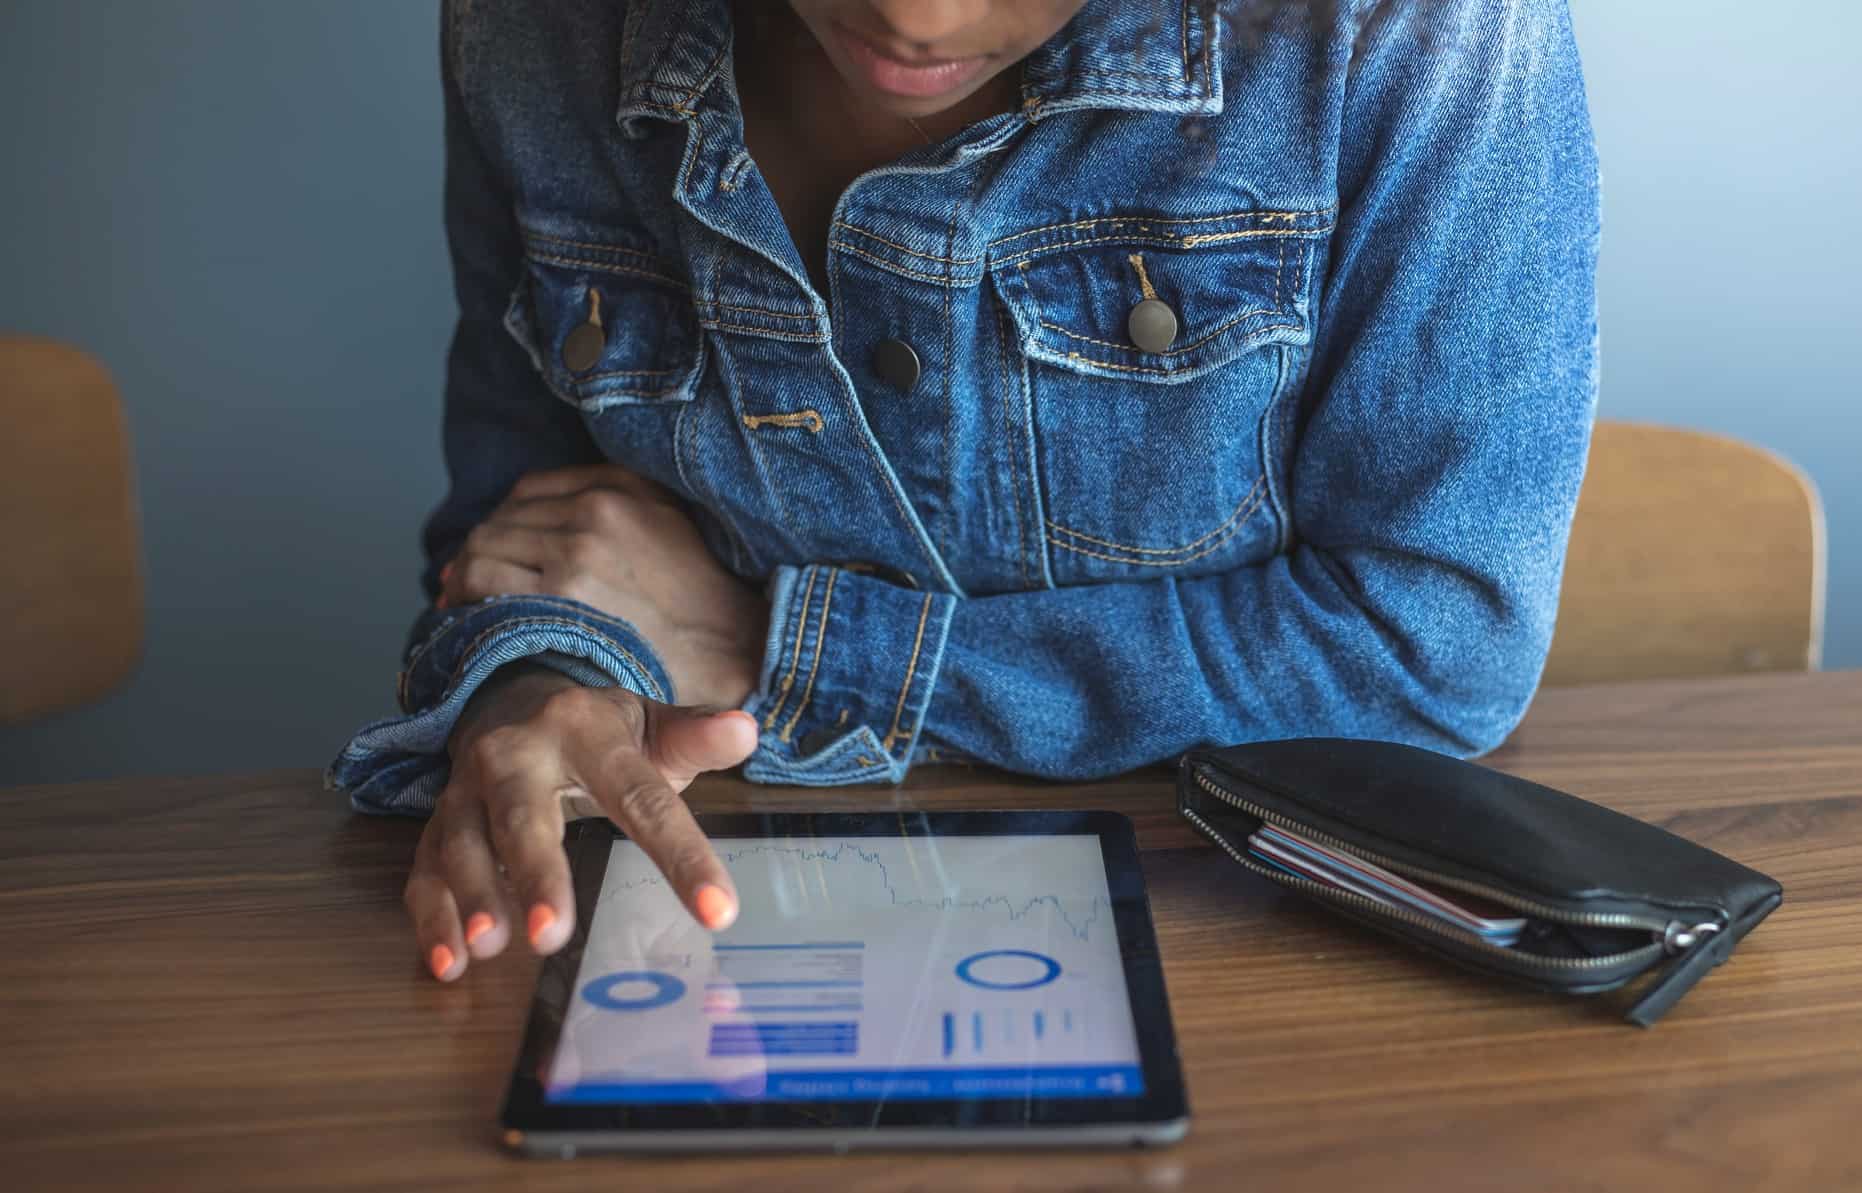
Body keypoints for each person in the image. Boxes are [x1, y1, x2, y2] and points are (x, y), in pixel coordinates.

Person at [331, 0, 1600, 983]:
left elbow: (1435, 639)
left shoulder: (1412, 35)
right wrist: (534, 688)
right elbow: (517, 532)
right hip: (704, 943)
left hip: (1251, 952)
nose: (916, 19)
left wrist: (776, 649)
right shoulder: (531, 30)